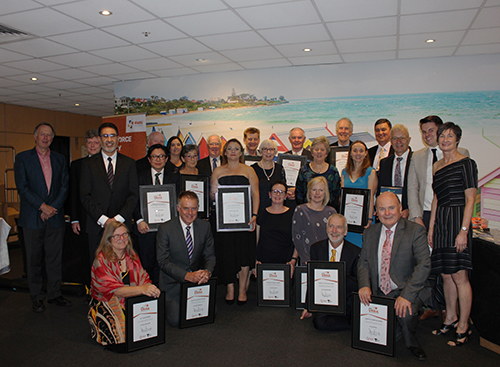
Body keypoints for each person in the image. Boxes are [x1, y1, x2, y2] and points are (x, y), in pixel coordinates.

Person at [358, 192, 431, 361]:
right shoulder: (370, 233)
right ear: (376, 212)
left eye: (391, 208)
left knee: (404, 315)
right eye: (382, 209)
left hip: (406, 287)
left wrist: (406, 296)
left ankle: (412, 343)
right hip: (380, 290)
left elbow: (424, 265)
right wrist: (364, 285)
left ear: (400, 209)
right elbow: (363, 262)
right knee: (376, 333)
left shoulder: (415, 231)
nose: (387, 213)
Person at [428, 122, 477, 347]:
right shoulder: (437, 165)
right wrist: (431, 227)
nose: (445, 139)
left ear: (457, 139)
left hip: (458, 221)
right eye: (442, 136)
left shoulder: (467, 163)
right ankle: (450, 317)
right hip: (441, 224)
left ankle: (464, 325)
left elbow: (470, 199)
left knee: (460, 276)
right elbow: (437, 198)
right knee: (446, 275)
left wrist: (463, 232)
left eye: (450, 136)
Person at [14, 122, 70, 312]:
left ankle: (54, 294)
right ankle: (37, 296)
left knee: (55, 258)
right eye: (42, 134)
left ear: (52, 139)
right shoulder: (22, 158)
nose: (45, 138)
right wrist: (42, 206)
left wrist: (52, 208)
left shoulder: (60, 159)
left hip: (54, 216)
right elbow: (22, 187)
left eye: (49, 135)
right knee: (33, 259)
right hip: (32, 217)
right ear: (35, 136)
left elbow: (64, 186)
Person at [88, 222, 160, 347]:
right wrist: (143, 289)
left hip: (131, 298)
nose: (121, 239)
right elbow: (115, 290)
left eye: (124, 234)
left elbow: (144, 278)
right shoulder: (101, 260)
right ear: (109, 239)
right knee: (121, 339)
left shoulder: (132, 256)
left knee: (148, 333)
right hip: (107, 300)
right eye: (116, 236)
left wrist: (150, 289)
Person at [210, 138, 259, 305]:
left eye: (236, 149)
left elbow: (255, 195)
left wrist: (254, 215)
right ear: (225, 152)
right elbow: (212, 196)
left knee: (244, 254)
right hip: (224, 222)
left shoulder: (249, 170)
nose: (232, 151)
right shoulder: (217, 171)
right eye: (229, 148)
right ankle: (230, 289)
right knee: (227, 255)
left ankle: (242, 289)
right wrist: (213, 193)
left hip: (244, 221)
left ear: (241, 152)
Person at [80, 122, 139, 261]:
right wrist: (104, 220)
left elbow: (133, 195)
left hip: (122, 226)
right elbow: (85, 196)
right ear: (100, 139)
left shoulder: (129, 163)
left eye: (112, 136)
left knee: (122, 267)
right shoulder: (88, 164)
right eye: (105, 136)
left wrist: (117, 220)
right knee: (98, 267)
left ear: (118, 139)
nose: (109, 140)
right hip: (97, 225)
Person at [157, 191, 216, 327]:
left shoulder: (204, 226)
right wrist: (186, 276)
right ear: (178, 208)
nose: (190, 212)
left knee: (210, 314)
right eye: (186, 208)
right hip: (173, 283)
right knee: (176, 320)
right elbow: (163, 261)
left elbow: (210, 255)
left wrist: (207, 271)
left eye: (194, 208)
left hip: (196, 282)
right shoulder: (165, 229)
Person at [300, 214, 360, 331]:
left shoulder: (356, 252)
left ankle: (355, 322)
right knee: (319, 323)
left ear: (346, 231)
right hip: (325, 299)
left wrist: (336, 278)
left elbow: (356, 283)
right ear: (326, 229)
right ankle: (355, 324)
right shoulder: (316, 249)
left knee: (356, 313)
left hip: (345, 300)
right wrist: (309, 306)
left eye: (339, 227)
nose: (334, 231)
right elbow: (312, 279)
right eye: (331, 226)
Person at [408, 115, 470, 229]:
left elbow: (467, 192)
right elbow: (412, 189)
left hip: (451, 214)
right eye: (424, 132)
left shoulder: (462, 154)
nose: (427, 135)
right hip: (425, 214)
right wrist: (417, 217)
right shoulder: (416, 157)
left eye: (431, 130)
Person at [133, 144, 180, 285]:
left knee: (166, 264)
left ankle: (165, 295)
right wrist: (139, 220)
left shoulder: (175, 178)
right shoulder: (139, 178)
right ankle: (148, 294)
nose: (158, 159)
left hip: (169, 230)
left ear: (166, 159)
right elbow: (133, 201)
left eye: (161, 156)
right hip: (145, 228)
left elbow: (178, 202)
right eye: (154, 156)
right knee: (147, 264)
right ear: (149, 159)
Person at [68, 128, 100, 288]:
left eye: (95, 142)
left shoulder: (110, 164)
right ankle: (90, 289)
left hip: (106, 220)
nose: (92, 146)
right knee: (87, 256)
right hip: (84, 218)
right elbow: (73, 193)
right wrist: (74, 218)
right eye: (89, 143)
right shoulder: (77, 165)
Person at [292, 176, 336, 265]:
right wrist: (306, 259)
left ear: (325, 193)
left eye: (321, 190)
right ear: (309, 193)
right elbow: (297, 238)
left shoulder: (331, 212)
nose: (317, 193)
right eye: (314, 189)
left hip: (326, 260)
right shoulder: (301, 210)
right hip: (306, 261)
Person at [341, 140, 377, 247]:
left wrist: (369, 219)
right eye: (355, 151)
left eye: (361, 151)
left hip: (364, 220)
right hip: (348, 221)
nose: (358, 154)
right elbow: (343, 198)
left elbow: (370, 198)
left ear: (366, 153)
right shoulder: (344, 172)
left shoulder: (371, 172)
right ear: (350, 153)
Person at [256, 180, 297, 269]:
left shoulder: (293, 214)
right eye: (275, 192)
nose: (278, 195)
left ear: (286, 196)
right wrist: (255, 259)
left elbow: (297, 240)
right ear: (269, 194)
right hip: (264, 261)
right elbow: (257, 239)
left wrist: (293, 260)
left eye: (281, 192)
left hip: (286, 262)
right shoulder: (262, 213)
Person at [295, 136, 341, 211]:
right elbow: (299, 193)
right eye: (316, 149)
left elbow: (336, 194)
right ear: (312, 152)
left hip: (327, 212)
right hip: (307, 211)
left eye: (322, 149)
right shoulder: (304, 170)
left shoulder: (333, 171)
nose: (319, 152)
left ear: (326, 153)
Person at [377, 124, 413, 219]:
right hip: (389, 215)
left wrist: (409, 209)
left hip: (411, 214)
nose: (399, 142)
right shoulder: (384, 163)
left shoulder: (416, 160)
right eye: (395, 138)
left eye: (402, 138)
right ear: (391, 141)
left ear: (409, 140)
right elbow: (381, 190)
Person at [251, 139, 286, 213]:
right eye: (265, 149)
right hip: (258, 209)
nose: (268, 152)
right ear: (260, 152)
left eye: (271, 149)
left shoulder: (280, 168)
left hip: (276, 209)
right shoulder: (253, 169)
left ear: (275, 152)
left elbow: (283, 189)